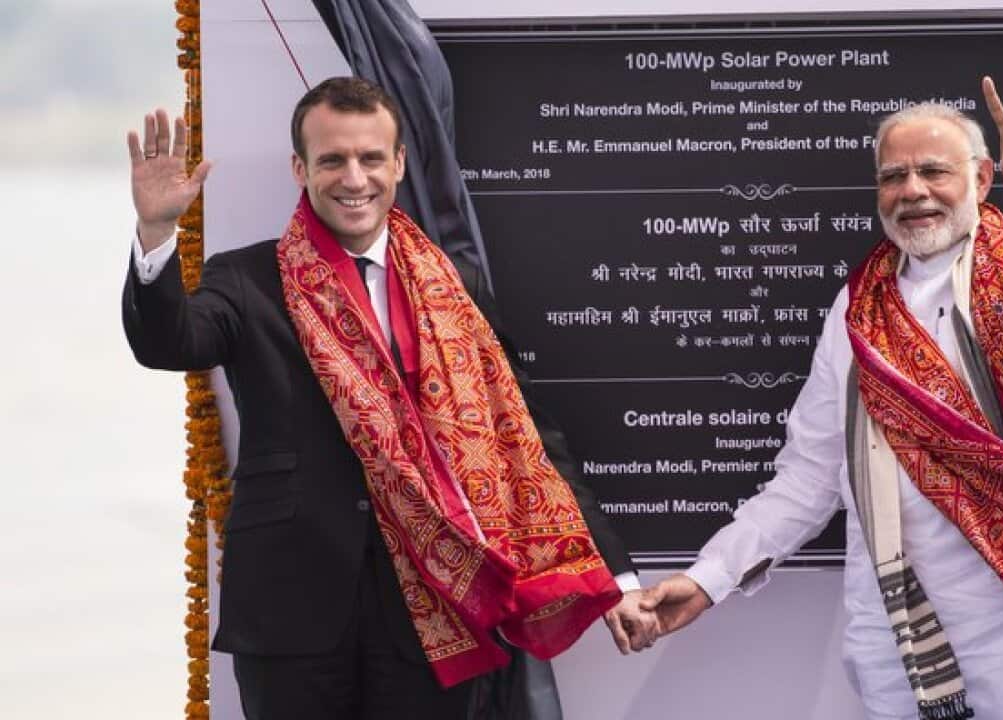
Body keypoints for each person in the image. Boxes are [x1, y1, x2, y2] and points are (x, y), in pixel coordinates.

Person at [640, 74, 1003, 720]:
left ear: (983, 180)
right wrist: (709, 577)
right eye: (893, 177)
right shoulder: (856, 312)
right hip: (904, 626)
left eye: (933, 171)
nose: (912, 192)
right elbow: (809, 477)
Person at [122, 76, 657, 720]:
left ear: (398, 163)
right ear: (301, 168)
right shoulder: (246, 278)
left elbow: (525, 434)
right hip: (293, 610)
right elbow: (168, 342)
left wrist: (615, 576)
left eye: (371, 157)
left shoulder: (452, 283)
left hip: (436, 611)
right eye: (332, 160)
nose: (354, 177)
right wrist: (155, 234)